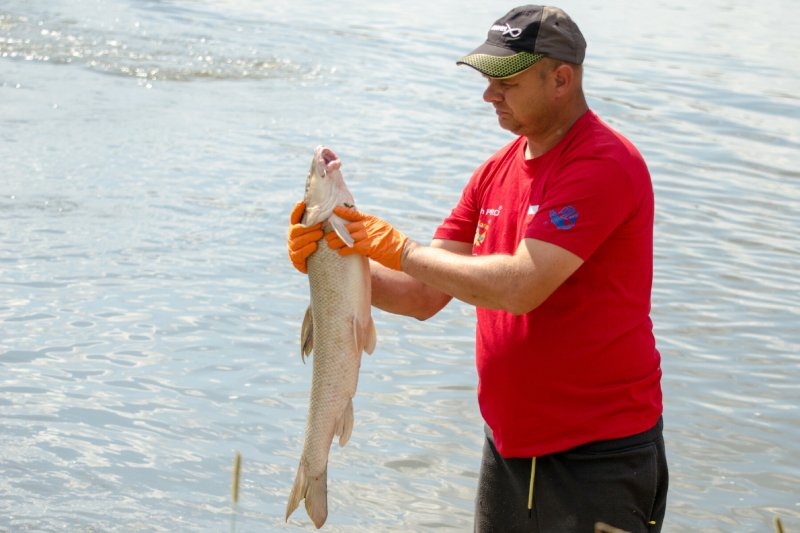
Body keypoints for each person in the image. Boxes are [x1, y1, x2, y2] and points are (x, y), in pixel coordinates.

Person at [287, 5, 667, 532]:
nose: (489, 94)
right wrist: (336, 270)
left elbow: (521, 287)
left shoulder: (603, 164)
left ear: (561, 78)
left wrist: (396, 248)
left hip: (597, 458)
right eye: (488, 79)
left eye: (506, 80)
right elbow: (422, 295)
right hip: (508, 449)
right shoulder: (494, 172)